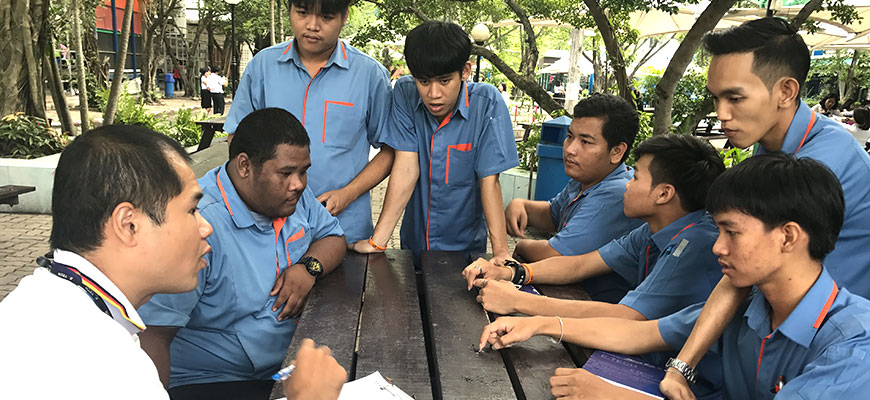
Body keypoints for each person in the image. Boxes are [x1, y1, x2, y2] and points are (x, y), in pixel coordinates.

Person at [481, 154, 870, 400]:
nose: (717, 247)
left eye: (732, 233)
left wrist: (618, 397)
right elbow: (642, 333)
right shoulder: (747, 305)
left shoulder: (854, 345)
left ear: (788, 236)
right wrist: (536, 325)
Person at [0, 125, 346, 400]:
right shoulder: (107, 367)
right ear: (129, 224)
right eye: (191, 210)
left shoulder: (54, 303)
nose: (206, 225)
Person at [646, 17, 870, 398]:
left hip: (827, 348)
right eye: (716, 98)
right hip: (772, 321)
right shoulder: (771, 146)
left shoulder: (820, 164)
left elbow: (749, 262)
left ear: (785, 91)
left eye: (735, 98)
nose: (721, 113)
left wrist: (682, 366)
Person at [138, 108, 347, 400]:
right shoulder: (197, 224)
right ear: (245, 166)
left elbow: (334, 237)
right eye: (286, 173)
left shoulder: (292, 198)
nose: (299, 184)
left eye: (304, 171)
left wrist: (308, 267)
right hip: (211, 382)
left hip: (285, 366)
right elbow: (153, 334)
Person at [465, 135, 725, 356]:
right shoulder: (652, 229)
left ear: (664, 194)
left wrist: (518, 302)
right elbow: (580, 264)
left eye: (635, 177)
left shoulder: (694, 244)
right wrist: (511, 272)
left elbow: (627, 318)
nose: (627, 185)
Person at [348, 21, 519, 265]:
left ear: (465, 71)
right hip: (413, 247)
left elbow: (489, 181)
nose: (433, 94)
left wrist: (501, 252)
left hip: (467, 253)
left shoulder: (487, 103)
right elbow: (406, 166)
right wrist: (378, 241)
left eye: (444, 81)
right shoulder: (405, 93)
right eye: (424, 82)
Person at [224, 0, 394, 245]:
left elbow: (389, 150)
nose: (312, 25)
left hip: (342, 225)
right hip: (269, 230)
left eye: (326, 17)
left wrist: (348, 194)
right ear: (290, 10)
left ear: (344, 16)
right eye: (302, 13)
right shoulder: (263, 67)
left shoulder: (369, 75)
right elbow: (237, 141)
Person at [498, 94, 644, 302]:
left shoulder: (616, 193)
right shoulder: (586, 179)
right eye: (570, 136)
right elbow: (553, 214)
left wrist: (521, 245)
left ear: (617, 152)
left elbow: (555, 256)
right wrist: (521, 205)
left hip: (596, 309)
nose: (570, 149)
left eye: (585, 142)